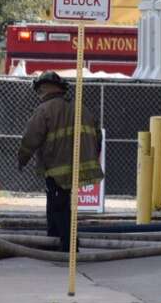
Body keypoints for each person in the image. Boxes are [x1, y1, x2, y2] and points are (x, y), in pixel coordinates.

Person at [17, 71, 103, 252]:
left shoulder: (44, 110)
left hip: (56, 169)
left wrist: (22, 159)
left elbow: (31, 138)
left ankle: (66, 245)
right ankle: (56, 242)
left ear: (42, 89)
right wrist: (93, 156)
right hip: (79, 166)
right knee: (61, 205)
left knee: (58, 207)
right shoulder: (81, 108)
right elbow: (98, 135)